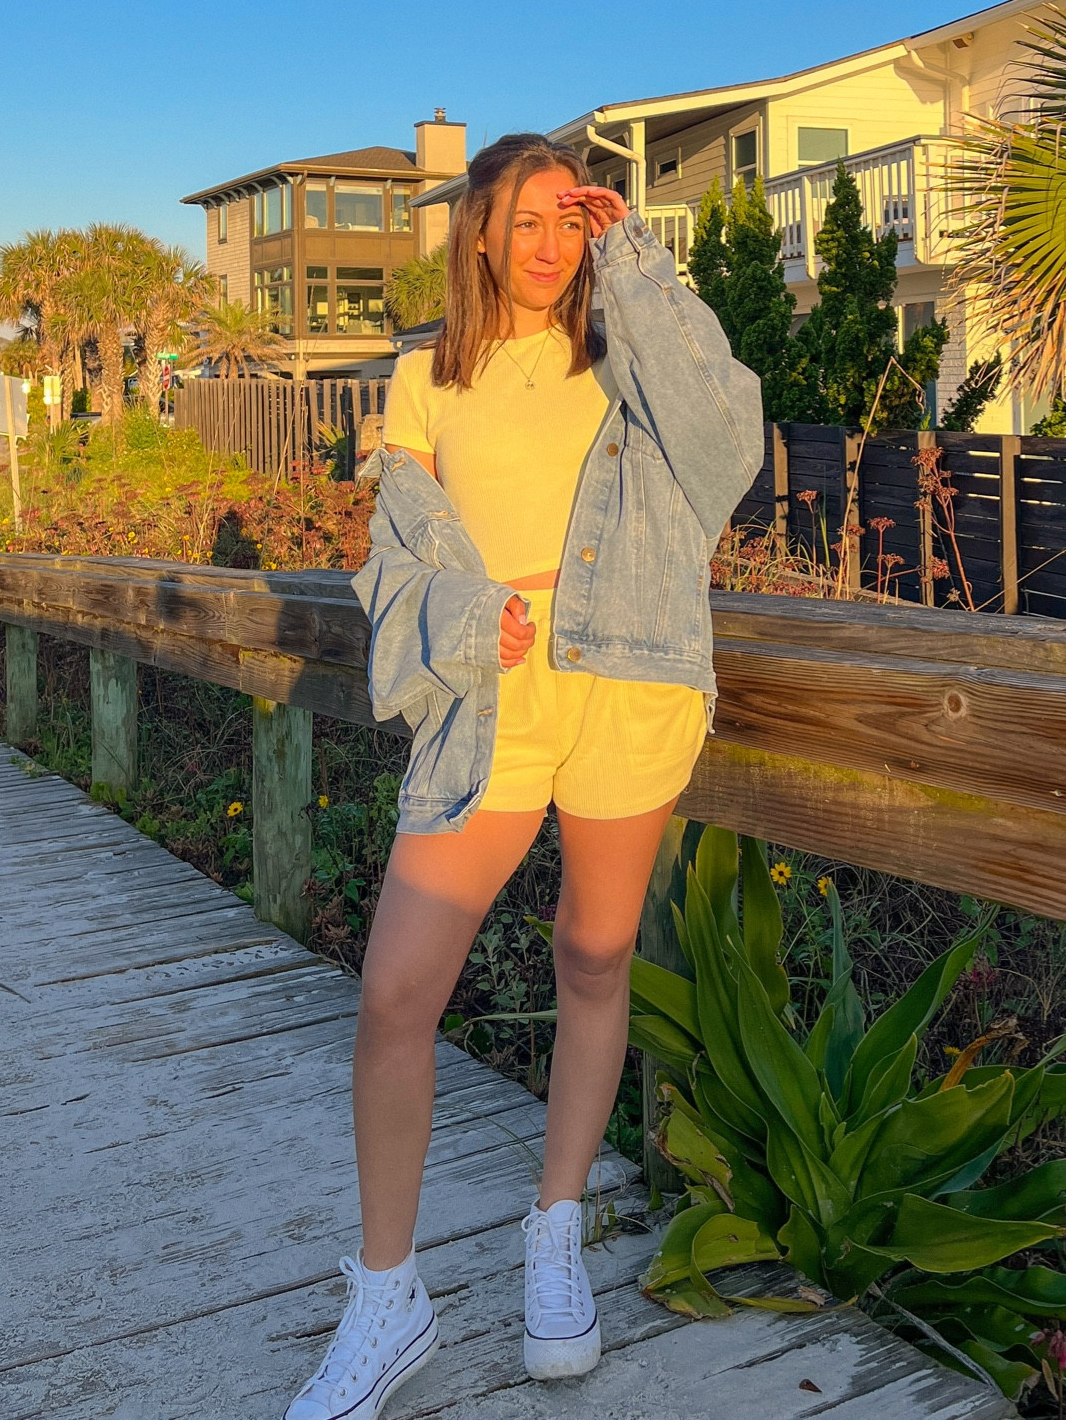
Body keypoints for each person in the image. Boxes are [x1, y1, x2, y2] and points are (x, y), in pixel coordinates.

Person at [285, 133, 763, 1420]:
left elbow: (727, 446)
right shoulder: (423, 378)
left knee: (594, 955)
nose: (551, 244)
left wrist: (640, 261)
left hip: (629, 674)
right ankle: (388, 1295)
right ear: (481, 233)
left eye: (572, 219)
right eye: (527, 220)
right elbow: (392, 559)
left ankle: (555, 1232)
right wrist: (459, 614)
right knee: (396, 990)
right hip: (491, 695)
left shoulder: (626, 351)